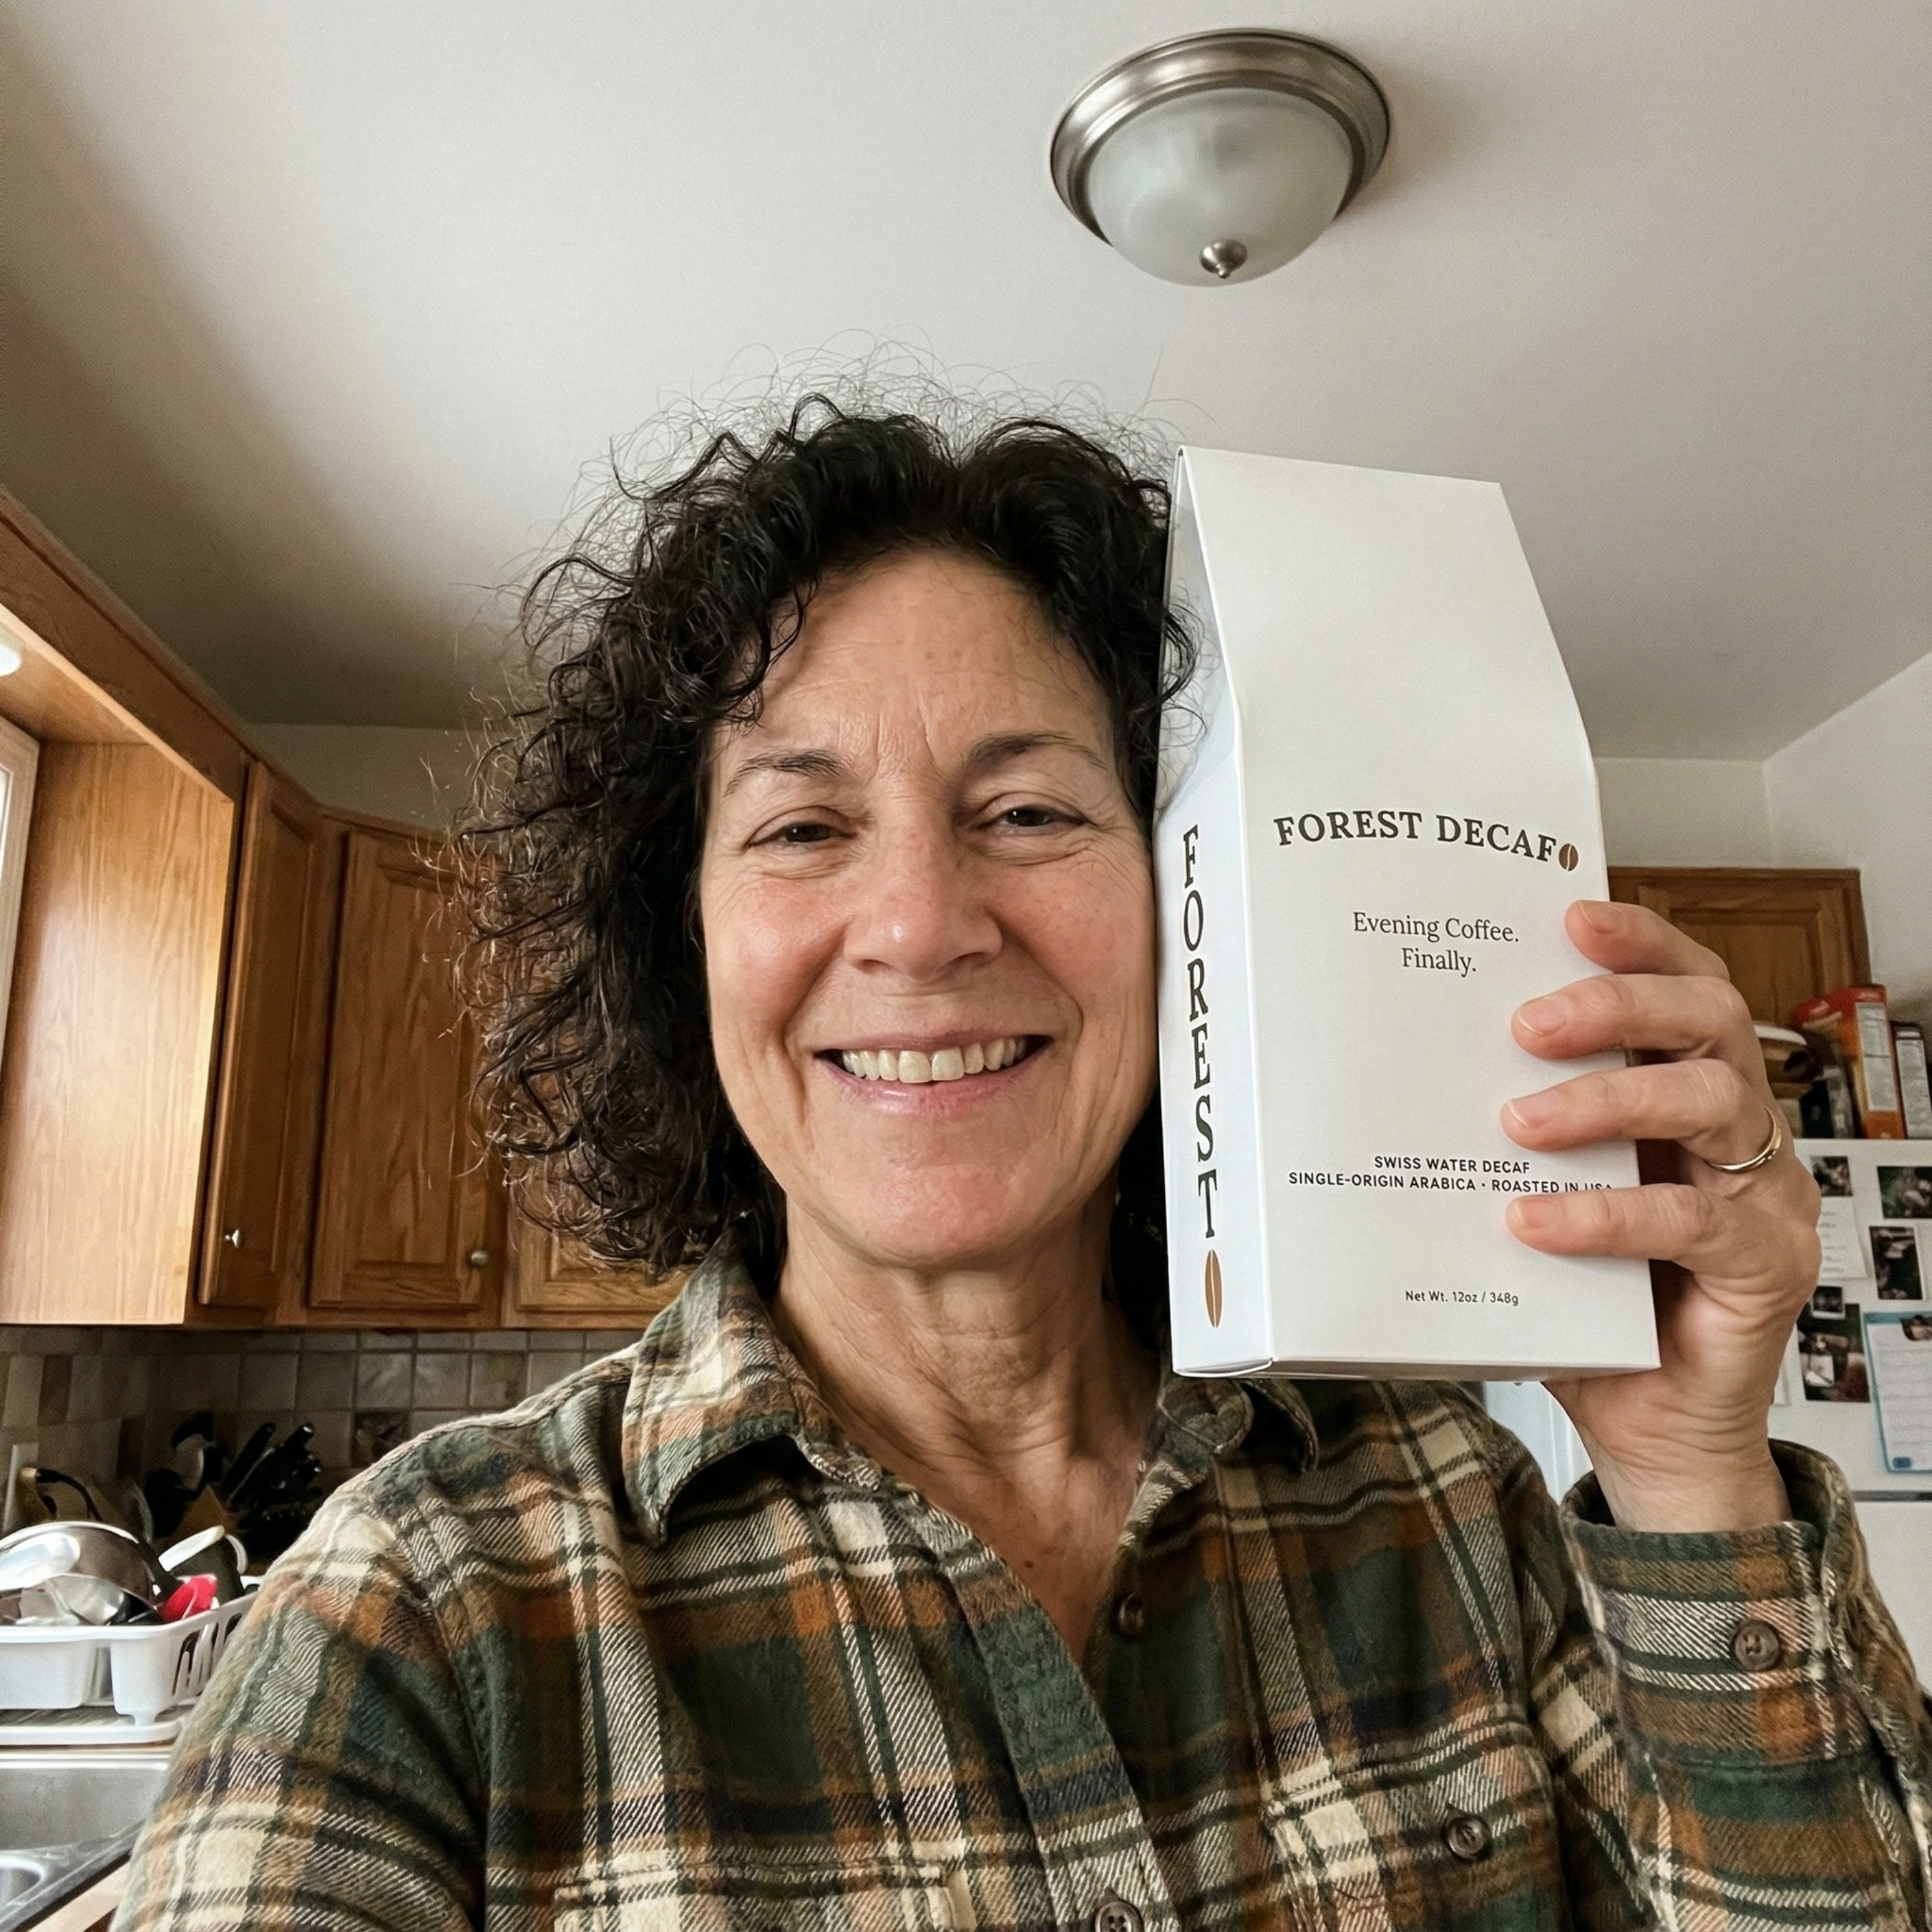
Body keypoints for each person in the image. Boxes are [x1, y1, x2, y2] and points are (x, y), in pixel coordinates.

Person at [118, 400, 1931, 1931]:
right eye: (805, 825)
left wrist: (1697, 1473)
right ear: (679, 948)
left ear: (1192, 905)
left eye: (1034, 813)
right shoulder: (420, 1612)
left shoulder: (1447, 1504)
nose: (917, 924)